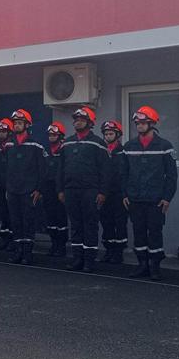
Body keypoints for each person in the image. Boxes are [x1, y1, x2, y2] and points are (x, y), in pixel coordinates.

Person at [122, 106, 178, 281]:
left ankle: (155, 267)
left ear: (152, 124)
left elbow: (171, 176)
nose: (139, 125)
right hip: (135, 199)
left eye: (143, 122)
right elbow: (123, 173)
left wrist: (167, 198)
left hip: (156, 200)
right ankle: (142, 265)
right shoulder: (129, 146)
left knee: (154, 233)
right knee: (138, 232)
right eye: (137, 123)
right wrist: (125, 194)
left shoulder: (164, 146)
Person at [57, 107, 109, 273]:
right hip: (71, 190)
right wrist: (60, 189)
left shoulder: (98, 143)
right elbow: (60, 168)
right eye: (76, 119)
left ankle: (89, 261)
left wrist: (102, 192)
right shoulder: (67, 143)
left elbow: (105, 171)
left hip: (90, 191)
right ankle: (77, 258)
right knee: (76, 225)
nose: (77, 121)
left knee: (90, 225)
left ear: (90, 123)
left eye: (81, 119)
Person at [4, 110, 47, 265]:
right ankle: (18, 251)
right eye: (15, 123)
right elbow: (6, 168)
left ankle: (27, 253)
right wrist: (7, 188)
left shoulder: (36, 145)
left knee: (28, 222)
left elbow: (42, 169)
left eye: (20, 123)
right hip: (13, 190)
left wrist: (39, 189)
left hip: (29, 191)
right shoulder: (9, 145)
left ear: (27, 125)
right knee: (15, 221)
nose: (16, 125)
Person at [99, 120, 128, 264]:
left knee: (120, 223)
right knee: (106, 222)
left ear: (117, 135)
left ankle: (119, 252)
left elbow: (126, 174)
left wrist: (125, 193)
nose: (108, 136)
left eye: (111, 133)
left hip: (119, 195)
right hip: (104, 194)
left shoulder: (123, 152)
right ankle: (109, 250)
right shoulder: (101, 151)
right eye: (106, 134)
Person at [43, 122, 68, 257]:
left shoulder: (64, 150)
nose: (51, 137)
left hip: (60, 189)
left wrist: (62, 189)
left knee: (61, 217)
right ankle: (53, 244)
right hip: (47, 188)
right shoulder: (45, 150)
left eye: (54, 135)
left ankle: (62, 246)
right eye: (50, 135)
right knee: (50, 217)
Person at [0, 118, 14, 251]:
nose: (1, 134)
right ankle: (4, 239)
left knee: (11, 213)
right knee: (2, 213)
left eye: (3, 131)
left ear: (9, 133)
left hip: (10, 187)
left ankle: (13, 240)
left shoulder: (12, 147)